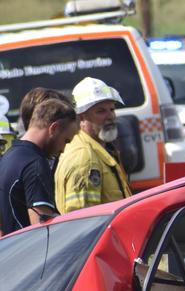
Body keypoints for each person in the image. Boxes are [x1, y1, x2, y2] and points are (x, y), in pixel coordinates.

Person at [0, 98, 78, 235]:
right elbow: (43, 230)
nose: (63, 149)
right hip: (29, 253)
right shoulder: (35, 164)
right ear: (54, 128)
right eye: (66, 141)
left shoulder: (7, 158)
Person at [55, 77, 132, 214]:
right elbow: (82, 218)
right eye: (101, 111)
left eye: (112, 109)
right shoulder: (85, 158)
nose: (110, 116)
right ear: (82, 117)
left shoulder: (101, 150)